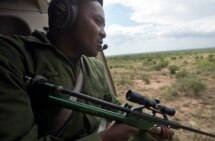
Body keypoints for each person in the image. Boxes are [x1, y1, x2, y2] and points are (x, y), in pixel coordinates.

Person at [0, 0, 174, 140]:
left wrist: (150, 127)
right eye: (98, 22)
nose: (104, 33)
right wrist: (105, 138)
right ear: (65, 16)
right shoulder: (12, 56)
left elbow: (115, 107)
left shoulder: (95, 67)